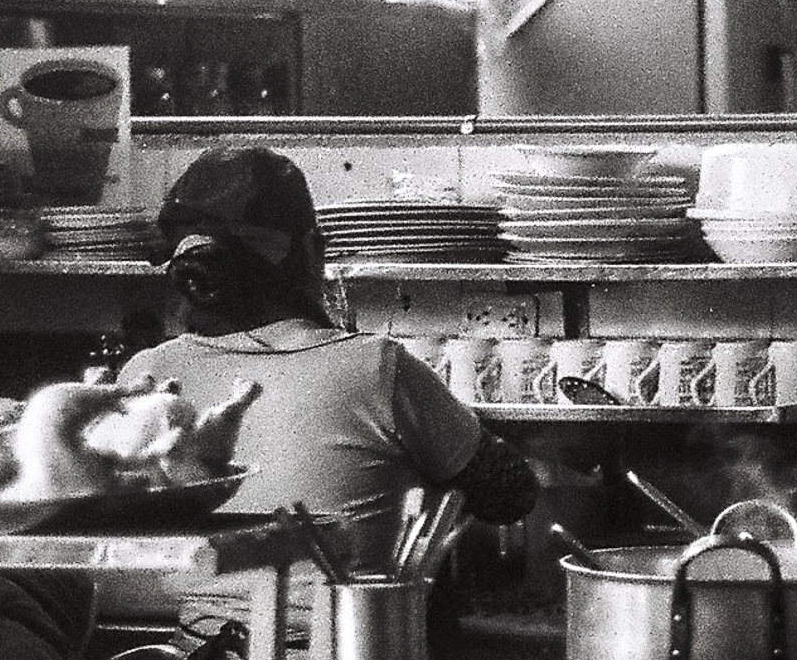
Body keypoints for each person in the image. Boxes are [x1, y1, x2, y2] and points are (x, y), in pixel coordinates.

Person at [122, 145, 537, 550]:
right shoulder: (377, 366)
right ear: (312, 251)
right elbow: (509, 494)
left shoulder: (142, 378)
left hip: (176, 600)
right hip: (339, 601)